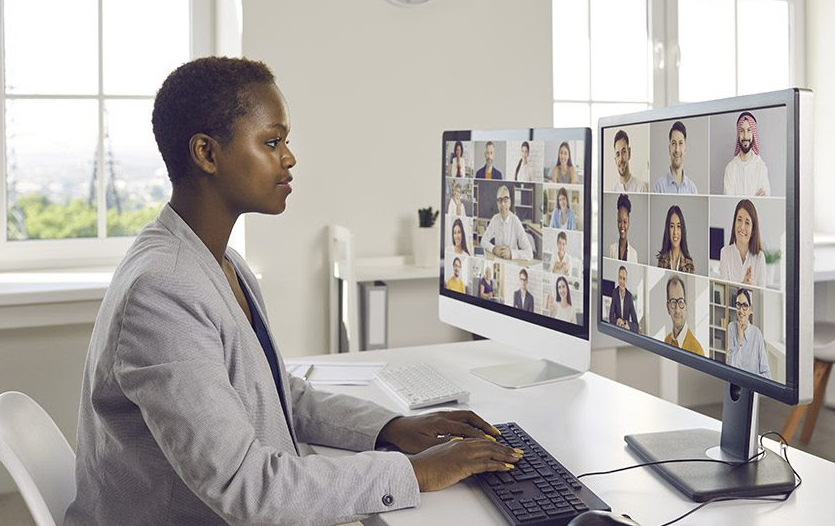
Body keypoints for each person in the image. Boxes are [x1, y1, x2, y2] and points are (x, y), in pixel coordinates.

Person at [65, 57, 521, 526]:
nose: (289, 156)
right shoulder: (163, 290)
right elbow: (247, 487)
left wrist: (391, 428)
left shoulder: (219, 261)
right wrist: (415, 473)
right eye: (271, 141)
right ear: (206, 153)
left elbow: (277, 395)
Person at [717, 199, 766, 286]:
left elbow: (761, 296)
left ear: (753, 229)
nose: (742, 227)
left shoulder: (760, 257)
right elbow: (724, 294)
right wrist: (743, 285)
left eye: (747, 223)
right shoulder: (725, 252)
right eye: (739, 220)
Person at [723, 111, 771, 196]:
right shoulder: (730, 168)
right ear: (738, 134)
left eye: (749, 130)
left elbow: (765, 200)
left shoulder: (761, 167)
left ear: (753, 134)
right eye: (742, 131)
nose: (745, 136)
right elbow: (728, 202)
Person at [481, 184, 534, 260]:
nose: (503, 204)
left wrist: (512, 253)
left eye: (506, 200)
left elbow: (529, 253)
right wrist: (493, 249)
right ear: (497, 204)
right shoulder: (495, 219)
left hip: (512, 262)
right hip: (498, 260)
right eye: (500, 200)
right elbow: (483, 241)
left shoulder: (515, 221)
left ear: (510, 202)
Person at [727, 288, 771, 379]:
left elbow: (767, 374)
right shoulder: (731, 327)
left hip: (752, 388)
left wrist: (751, 381)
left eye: (745, 305)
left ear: (750, 309)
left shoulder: (756, 333)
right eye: (738, 305)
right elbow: (730, 368)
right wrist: (739, 339)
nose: (741, 310)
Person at [662, 276, 704, 356]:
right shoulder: (666, 341)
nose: (677, 310)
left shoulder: (697, 351)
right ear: (668, 308)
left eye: (680, 301)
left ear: (686, 306)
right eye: (673, 302)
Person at [652, 121, 698, 194]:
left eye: (680, 143)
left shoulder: (692, 190)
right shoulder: (659, 187)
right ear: (669, 148)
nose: (677, 149)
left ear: (685, 148)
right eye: (673, 143)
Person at [655, 205, 695, 273]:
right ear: (668, 229)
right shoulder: (662, 261)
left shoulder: (689, 265)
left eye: (678, 226)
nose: (675, 232)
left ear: (682, 230)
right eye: (672, 226)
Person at [606, 194, 638, 262]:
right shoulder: (611, 249)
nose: (622, 226)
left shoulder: (633, 253)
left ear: (629, 222)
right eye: (619, 221)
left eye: (625, 222)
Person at [608, 266, 639, 332]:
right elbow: (611, 317)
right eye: (620, 278)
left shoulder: (629, 296)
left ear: (626, 280)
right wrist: (617, 321)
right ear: (618, 278)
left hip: (625, 330)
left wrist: (625, 323)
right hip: (617, 328)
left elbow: (636, 325)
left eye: (624, 279)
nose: (621, 281)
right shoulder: (614, 293)